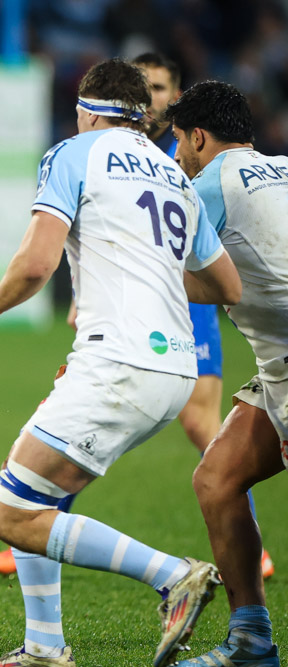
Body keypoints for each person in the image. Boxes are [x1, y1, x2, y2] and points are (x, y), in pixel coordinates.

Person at [0, 58, 242, 667]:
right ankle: (43, 648)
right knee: (32, 488)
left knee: (13, 516)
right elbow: (227, 286)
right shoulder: (175, 176)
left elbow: (36, 265)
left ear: (87, 109)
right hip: (174, 369)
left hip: (120, 362)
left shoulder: (73, 153)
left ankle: (173, 576)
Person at [164, 81, 283, 667]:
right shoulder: (281, 169)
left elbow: (155, 274)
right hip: (277, 369)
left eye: (179, 141)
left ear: (199, 137)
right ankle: (251, 642)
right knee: (217, 477)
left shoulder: (204, 186)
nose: (177, 155)